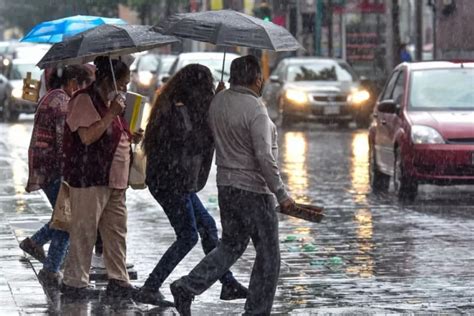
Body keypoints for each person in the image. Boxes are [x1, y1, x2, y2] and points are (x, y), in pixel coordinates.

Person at [170, 55, 295, 316]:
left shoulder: (218, 102)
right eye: (261, 77)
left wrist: (218, 97)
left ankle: (188, 286)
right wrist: (281, 193)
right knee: (269, 256)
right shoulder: (256, 109)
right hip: (254, 191)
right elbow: (264, 156)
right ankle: (257, 311)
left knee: (230, 246)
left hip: (227, 188)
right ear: (257, 79)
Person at [135, 64, 247, 305]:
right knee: (187, 236)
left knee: (206, 226)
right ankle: (151, 286)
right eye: (206, 86)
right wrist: (213, 107)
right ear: (196, 87)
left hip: (175, 181)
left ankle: (227, 283)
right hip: (170, 183)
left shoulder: (179, 105)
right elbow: (193, 142)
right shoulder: (178, 110)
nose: (208, 90)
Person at [59, 56, 142, 299]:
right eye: (123, 83)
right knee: (85, 230)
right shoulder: (84, 100)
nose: (125, 88)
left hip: (115, 180)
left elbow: (113, 132)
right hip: (90, 177)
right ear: (108, 80)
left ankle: (118, 279)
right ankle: (75, 282)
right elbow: (87, 137)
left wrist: (130, 135)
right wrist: (112, 113)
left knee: (116, 232)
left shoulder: (111, 102)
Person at [22, 65, 93, 288]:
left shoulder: (51, 97)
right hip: (54, 169)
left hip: (46, 166)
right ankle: (50, 267)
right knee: (67, 219)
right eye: (83, 87)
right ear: (73, 83)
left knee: (64, 216)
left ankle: (37, 245)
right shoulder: (62, 102)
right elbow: (64, 142)